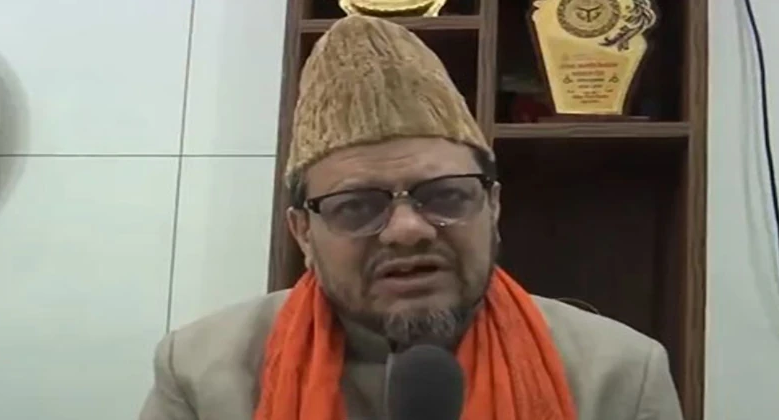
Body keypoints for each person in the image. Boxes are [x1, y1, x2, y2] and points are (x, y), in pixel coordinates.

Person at [139, 15, 683, 420]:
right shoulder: (202, 374)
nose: (407, 230)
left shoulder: (618, 375)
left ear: (493, 207)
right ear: (303, 232)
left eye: (444, 196)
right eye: (357, 206)